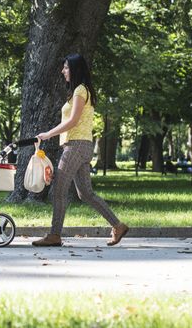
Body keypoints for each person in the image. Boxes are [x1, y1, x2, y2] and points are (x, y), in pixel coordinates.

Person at [32, 53, 129, 247]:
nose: (63, 71)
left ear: (75, 69)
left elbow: (73, 120)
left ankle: (54, 235)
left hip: (76, 145)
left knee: (59, 189)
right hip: (82, 145)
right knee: (85, 193)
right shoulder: (84, 90)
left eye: (66, 67)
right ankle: (118, 225)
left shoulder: (79, 91)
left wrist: (48, 133)